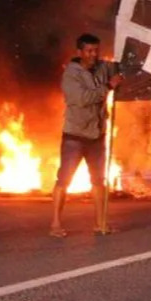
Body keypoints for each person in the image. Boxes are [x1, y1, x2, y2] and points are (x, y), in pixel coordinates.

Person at [51, 33, 123, 238]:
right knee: (64, 179)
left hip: (97, 135)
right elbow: (82, 99)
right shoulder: (71, 75)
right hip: (75, 135)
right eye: (89, 51)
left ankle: (100, 223)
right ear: (79, 52)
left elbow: (121, 67)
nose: (93, 55)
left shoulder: (102, 67)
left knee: (99, 181)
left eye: (96, 50)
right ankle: (55, 223)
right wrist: (108, 86)